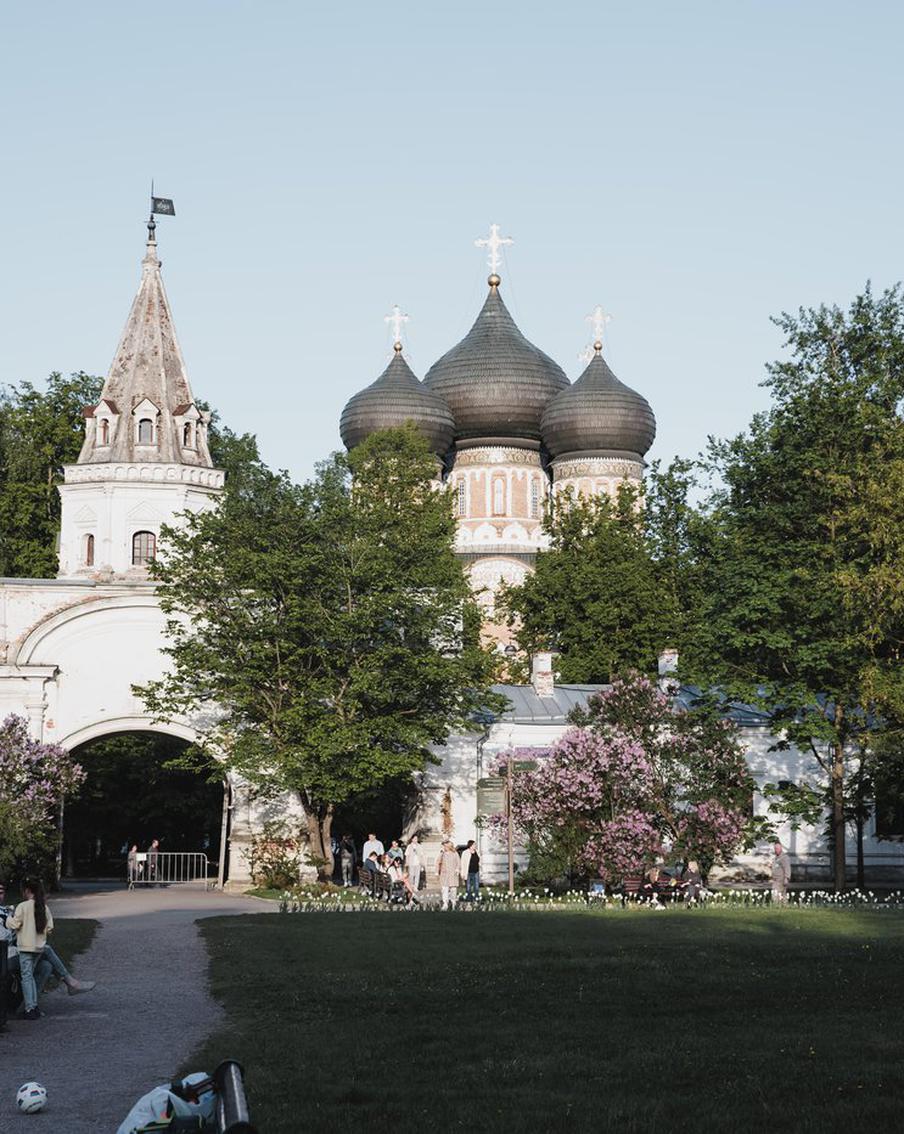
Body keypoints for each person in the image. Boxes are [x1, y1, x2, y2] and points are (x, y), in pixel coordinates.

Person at [436, 840, 460, 910]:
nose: (444, 847)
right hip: (445, 874)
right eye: (443, 846)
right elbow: (438, 862)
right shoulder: (442, 854)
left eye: (445, 846)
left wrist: (457, 869)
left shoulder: (455, 853)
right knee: (444, 889)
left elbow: (458, 862)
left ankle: (453, 903)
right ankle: (445, 903)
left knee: (453, 889)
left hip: (453, 874)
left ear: (449, 846)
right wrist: (437, 872)